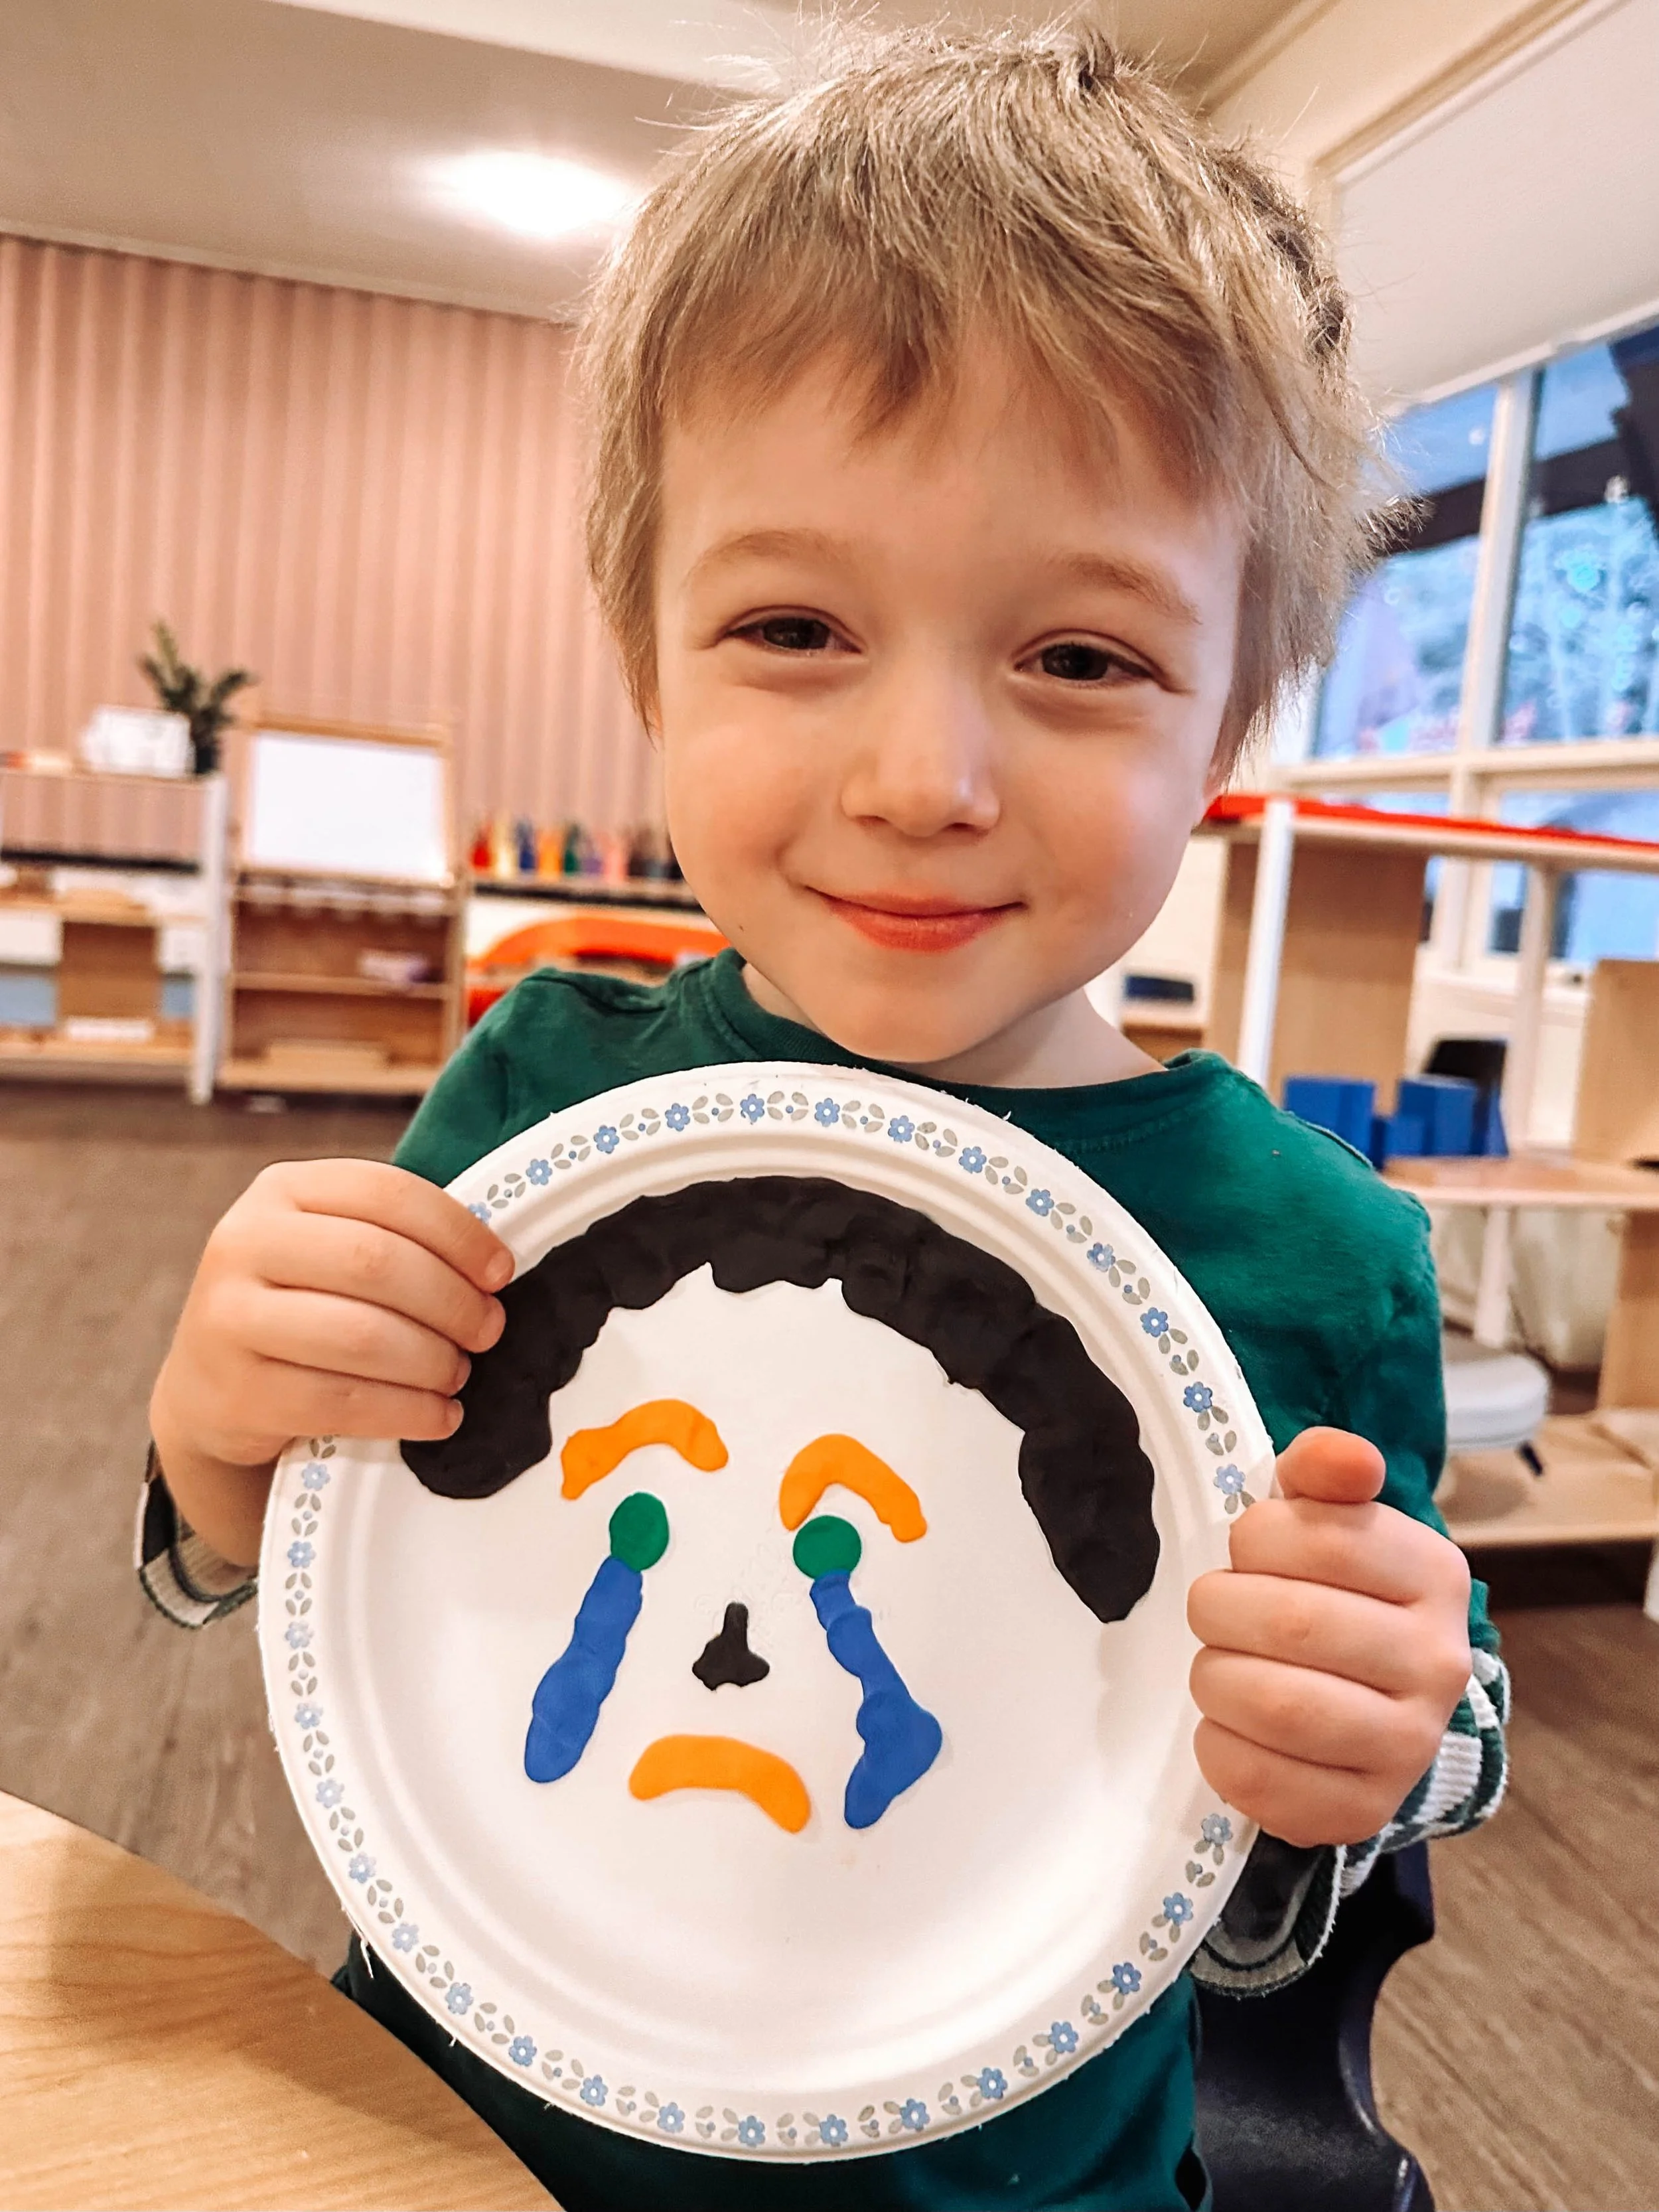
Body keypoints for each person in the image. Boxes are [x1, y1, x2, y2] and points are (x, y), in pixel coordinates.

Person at [141, 26, 1505, 2211]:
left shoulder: (1308, 1258)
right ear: (643, 656)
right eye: (794, 626)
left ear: (1230, 712)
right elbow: (338, 1582)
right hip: (460, 2117)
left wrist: (1376, 1741)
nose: (921, 775)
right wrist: (220, 1445)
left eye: (1078, 658)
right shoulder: (540, 1098)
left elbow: (1265, 1900)